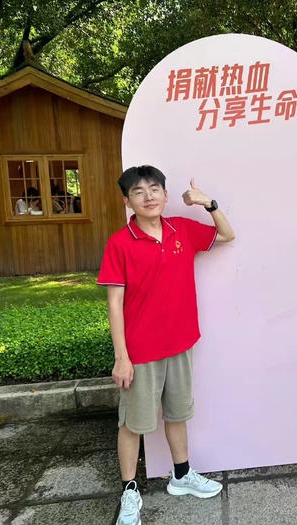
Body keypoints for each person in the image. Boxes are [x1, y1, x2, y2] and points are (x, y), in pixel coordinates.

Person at [97, 165, 236, 525]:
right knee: (133, 424)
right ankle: (129, 491)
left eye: (154, 189)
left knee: (177, 413)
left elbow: (227, 234)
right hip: (141, 352)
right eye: (139, 192)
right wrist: (121, 357)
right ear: (127, 201)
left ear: (165, 194)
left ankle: (182, 475)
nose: (149, 197)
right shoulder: (120, 243)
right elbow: (114, 303)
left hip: (180, 343)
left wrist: (208, 203)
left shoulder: (181, 230)